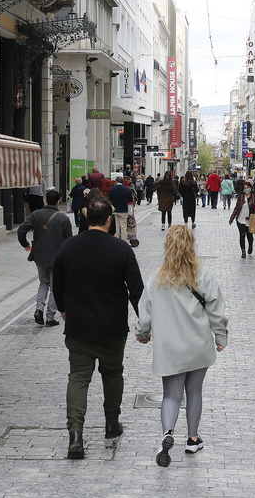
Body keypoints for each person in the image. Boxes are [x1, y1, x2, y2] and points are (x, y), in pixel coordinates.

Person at [52, 197, 144, 460]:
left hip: (79, 326)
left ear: (84, 219)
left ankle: (76, 435)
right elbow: (136, 291)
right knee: (112, 373)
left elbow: (58, 283)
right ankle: (111, 423)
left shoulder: (68, 248)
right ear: (108, 221)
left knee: (78, 377)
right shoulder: (122, 250)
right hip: (112, 328)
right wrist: (145, 322)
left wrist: (63, 309)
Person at [136, 226, 227, 467]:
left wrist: (142, 333)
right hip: (198, 346)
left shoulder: (157, 277)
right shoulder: (202, 275)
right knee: (194, 392)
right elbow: (216, 310)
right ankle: (192, 439)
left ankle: (167, 434)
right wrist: (220, 337)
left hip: (170, 349)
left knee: (172, 395)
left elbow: (144, 312)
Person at [17, 189, 72, 327]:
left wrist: (25, 244)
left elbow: (21, 230)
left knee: (43, 283)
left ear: (46, 200)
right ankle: (49, 317)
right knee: (54, 287)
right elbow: (69, 241)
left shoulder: (36, 214)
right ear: (58, 202)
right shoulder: (63, 219)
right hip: (57, 258)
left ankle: (39, 309)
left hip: (40, 256)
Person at [229, 181, 255, 258]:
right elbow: (236, 208)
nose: (246, 189)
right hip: (240, 219)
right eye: (245, 188)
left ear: (251, 188)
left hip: (250, 220)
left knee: (249, 235)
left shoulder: (254, 197)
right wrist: (232, 218)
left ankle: (250, 246)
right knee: (242, 235)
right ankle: (243, 251)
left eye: (248, 188)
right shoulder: (240, 198)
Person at [107, 176, 135, 242]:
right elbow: (130, 199)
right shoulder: (126, 190)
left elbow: (108, 199)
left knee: (116, 226)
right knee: (123, 227)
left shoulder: (112, 190)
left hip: (115, 210)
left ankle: (116, 240)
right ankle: (123, 240)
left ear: (116, 182)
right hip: (123, 210)